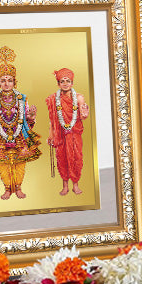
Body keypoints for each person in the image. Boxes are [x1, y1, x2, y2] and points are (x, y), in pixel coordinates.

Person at [0, 46, 41, 200]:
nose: (6, 83)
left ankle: (18, 188)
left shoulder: (22, 98)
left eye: (10, 80)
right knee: (2, 164)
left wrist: (31, 116)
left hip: (19, 135)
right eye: (3, 80)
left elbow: (26, 120)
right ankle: (7, 188)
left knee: (20, 163)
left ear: (14, 82)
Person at [45, 67, 90, 196]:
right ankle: (65, 186)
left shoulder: (79, 98)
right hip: (60, 135)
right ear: (58, 84)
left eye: (68, 81)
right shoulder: (53, 99)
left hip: (74, 134)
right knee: (62, 158)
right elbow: (52, 120)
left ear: (72, 83)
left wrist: (85, 114)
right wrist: (51, 135)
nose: (65, 83)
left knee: (76, 158)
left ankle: (75, 185)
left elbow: (82, 116)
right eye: (62, 81)